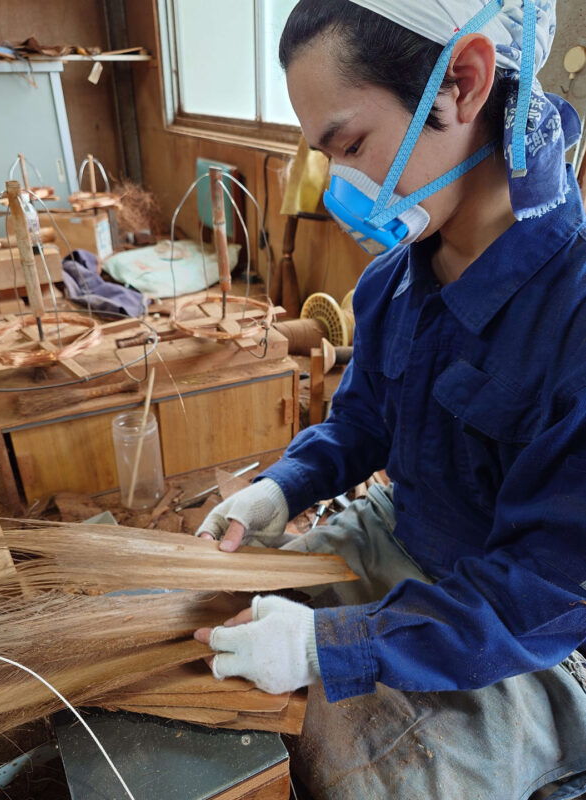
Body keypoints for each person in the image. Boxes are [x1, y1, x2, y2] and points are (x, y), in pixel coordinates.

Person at [194, 1, 586, 797]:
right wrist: (284, 485)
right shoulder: (393, 280)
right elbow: (366, 420)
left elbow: (542, 597)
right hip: (400, 533)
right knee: (205, 613)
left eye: (351, 146)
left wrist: (331, 648)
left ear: (466, 83)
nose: (343, 185)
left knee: (350, 769)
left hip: (533, 635)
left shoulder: (573, 316)